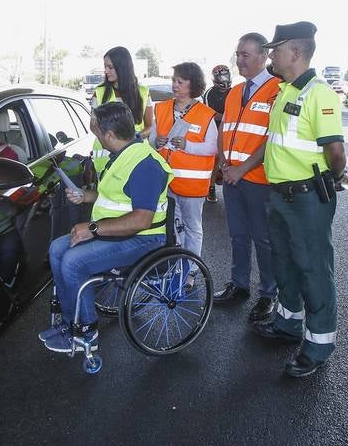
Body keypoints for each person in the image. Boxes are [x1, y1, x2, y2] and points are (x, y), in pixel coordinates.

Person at [253, 22, 348, 378]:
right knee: (285, 263)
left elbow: (335, 150)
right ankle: (288, 324)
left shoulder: (318, 93)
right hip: (280, 194)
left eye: (275, 49)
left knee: (313, 269)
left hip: (307, 196)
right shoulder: (286, 90)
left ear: (294, 52)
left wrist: (335, 176)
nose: (271, 55)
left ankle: (318, 345)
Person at [39, 102, 172, 353]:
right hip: (116, 231)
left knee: (73, 261)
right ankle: (70, 322)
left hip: (144, 237)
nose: (96, 138)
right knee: (57, 249)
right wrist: (85, 196)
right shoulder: (122, 154)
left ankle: (87, 332)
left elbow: (141, 220)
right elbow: (112, 195)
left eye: (98, 133)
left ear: (110, 135)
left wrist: (92, 228)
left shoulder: (146, 165)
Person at [214, 33, 280, 322]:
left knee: (263, 238)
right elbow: (224, 130)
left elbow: (272, 138)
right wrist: (224, 164)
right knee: (237, 235)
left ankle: (268, 294)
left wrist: (242, 169)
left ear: (263, 57)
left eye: (245, 55)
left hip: (258, 179)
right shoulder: (234, 92)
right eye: (237, 54)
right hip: (232, 177)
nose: (238, 60)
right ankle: (239, 285)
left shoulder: (277, 90)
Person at [151, 62, 217, 257]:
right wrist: (157, 141)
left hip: (192, 186)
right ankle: (178, 268)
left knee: (192, 229)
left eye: (180, 81)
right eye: (173, 80)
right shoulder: (162, 109)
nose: (174, 85)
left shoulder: (205, 114)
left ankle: (192, 271)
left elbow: (213, 147)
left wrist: (188, 146)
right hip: (167, 182)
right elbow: (151, 140)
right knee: (173, 227)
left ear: (193, 84)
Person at [90, 46, 153, 175]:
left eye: (110, 67)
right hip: (106, 160)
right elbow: (93, 126)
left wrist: (133, 139)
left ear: (122, 67)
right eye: (105, 66)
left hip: (136, 156)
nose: (106, 71)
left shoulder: (143, 92)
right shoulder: (99, 93)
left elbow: (150, 126)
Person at [204, 65, 232, 202]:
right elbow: (212, 115)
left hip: (231, 131)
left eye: (226, 76)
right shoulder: (210, 93)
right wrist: (228, 116)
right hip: (214, 131)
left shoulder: (234, 92)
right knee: (216, 160)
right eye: (221, 77)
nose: (224, 80)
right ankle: (211, 187)